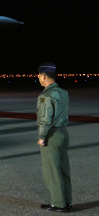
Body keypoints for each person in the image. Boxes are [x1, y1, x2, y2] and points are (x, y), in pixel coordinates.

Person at [36, 63, 72, 212]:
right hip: (63, 132)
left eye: (38, 75)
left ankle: (58, 203)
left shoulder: (46, 95)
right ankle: (67, 201)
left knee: (52, 170)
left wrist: (42, 137)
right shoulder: (63, 92)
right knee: (64, 169)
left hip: (52, 134)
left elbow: (45, 118)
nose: (38, 77)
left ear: (44, 76)